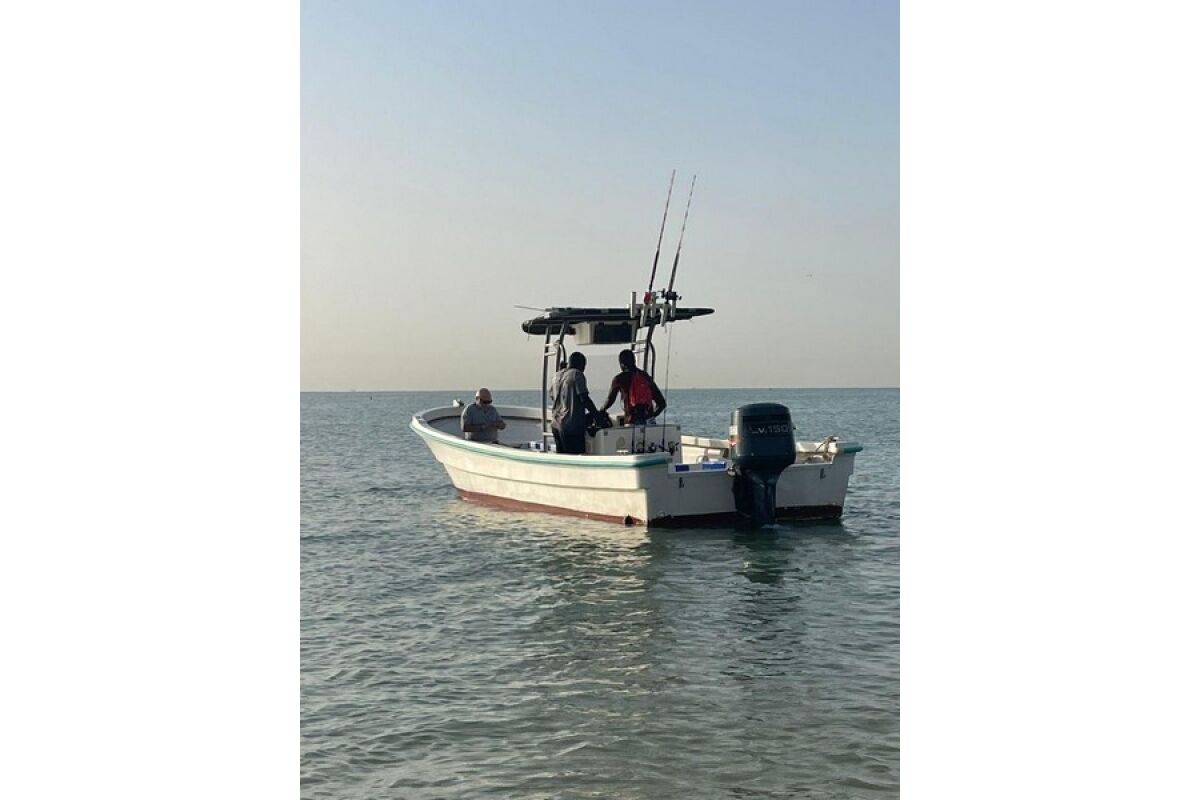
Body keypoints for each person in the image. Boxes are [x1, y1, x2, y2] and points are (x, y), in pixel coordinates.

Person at [550, 352, 600, 455]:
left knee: (562, 457)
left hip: (555, 425)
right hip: (571, 426)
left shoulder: (556, 376)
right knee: (576, 456)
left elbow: (552, 395)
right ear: (581, 364)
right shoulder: (577, 374)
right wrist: (597, 416)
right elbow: (584, 398)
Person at [599, 349, 666, 425]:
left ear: (622, 364)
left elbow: (610, 400)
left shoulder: (619, 379)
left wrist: (601, 410)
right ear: (635, 361)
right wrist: (650, 416)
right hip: (650, 423)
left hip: (632, 422)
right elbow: (662, 403)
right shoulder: (645, 376)